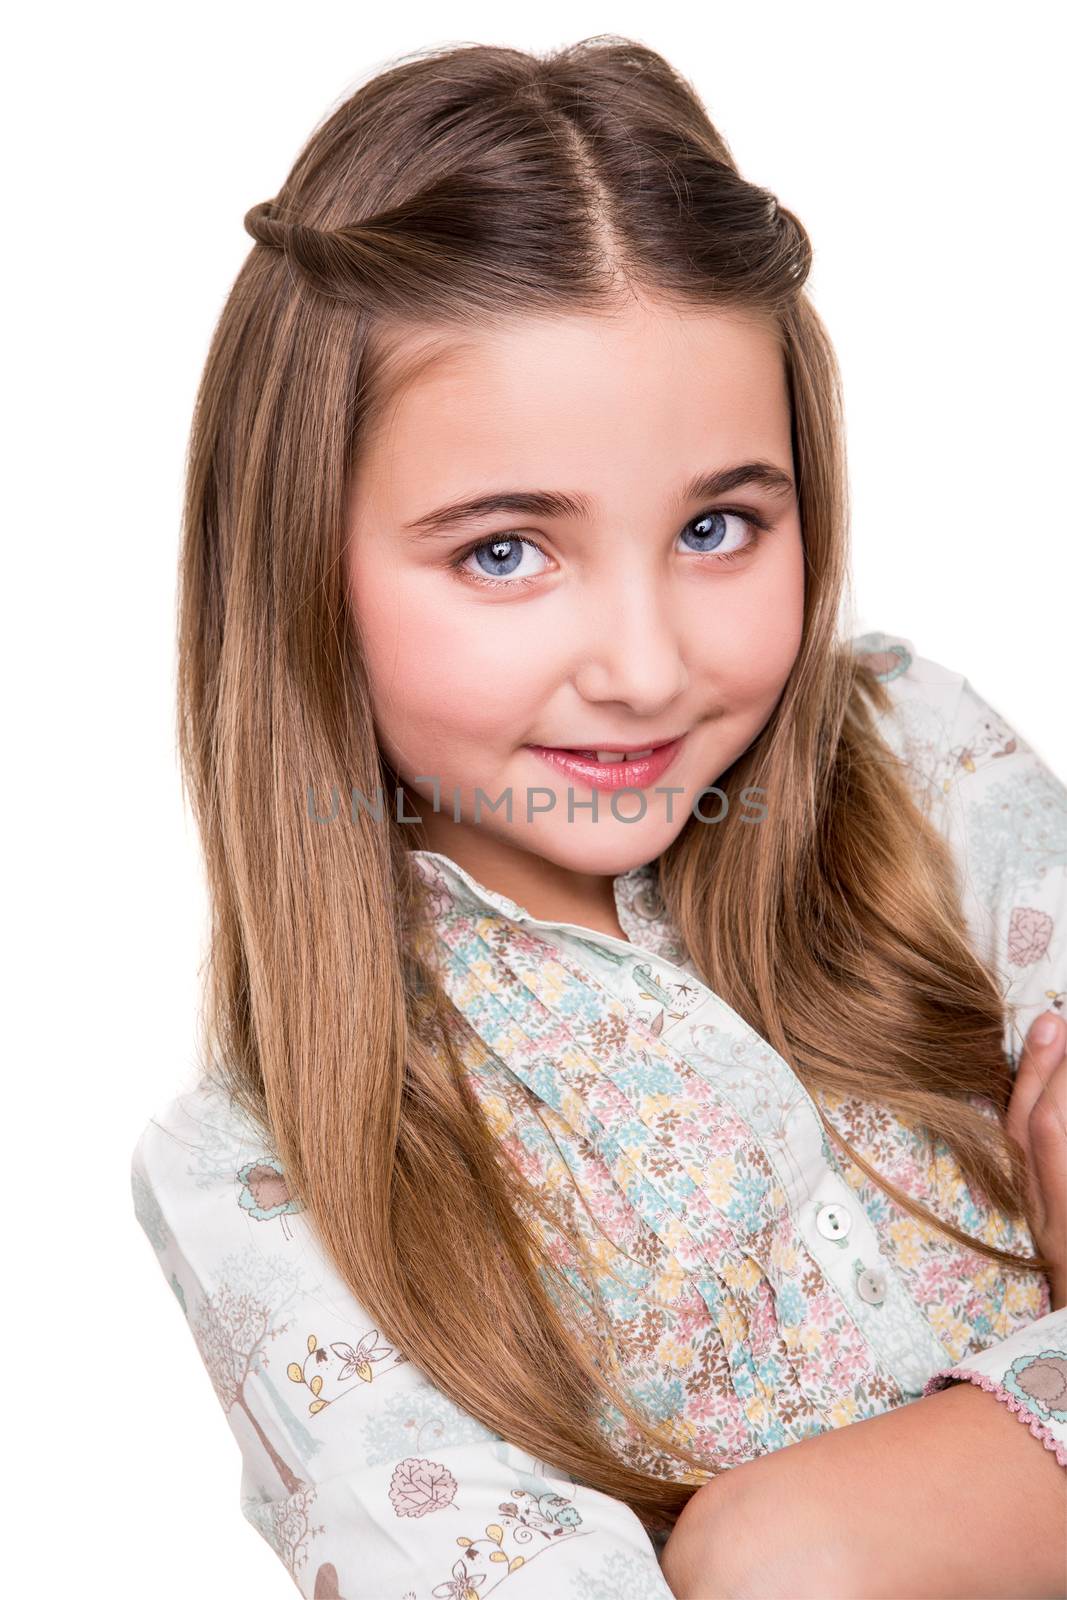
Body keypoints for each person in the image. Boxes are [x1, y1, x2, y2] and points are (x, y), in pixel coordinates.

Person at [130, 35, 1067, 1600]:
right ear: (299, 566)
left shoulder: (918, 765)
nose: (645, 670)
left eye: (718, 526)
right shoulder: (271, 1180)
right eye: (506, 551)